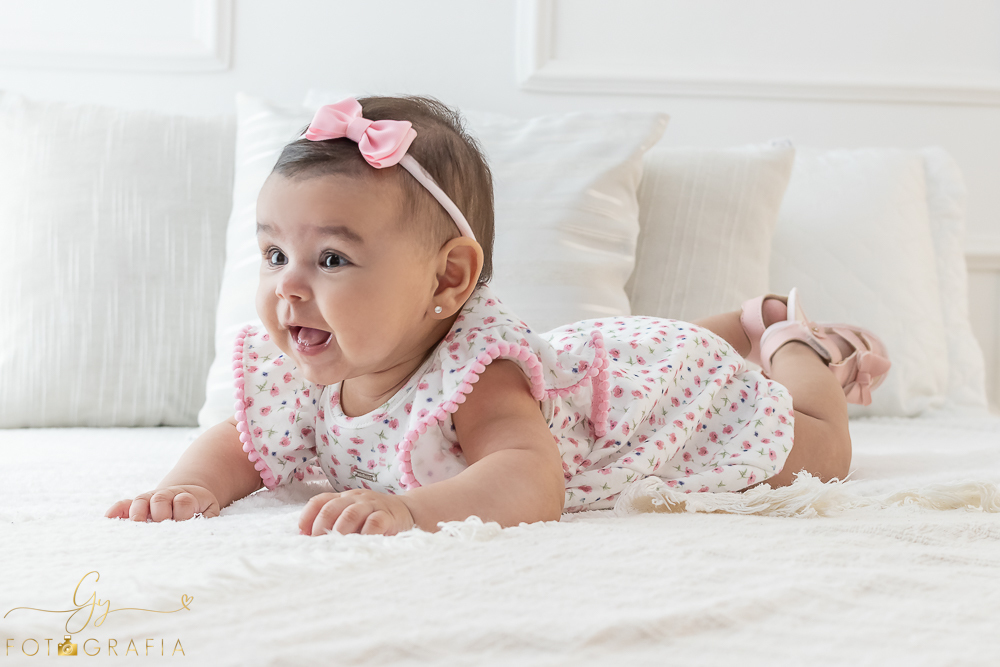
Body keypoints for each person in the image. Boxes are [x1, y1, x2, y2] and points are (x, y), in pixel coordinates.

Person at [105, 96, 891, 537]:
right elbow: (239, 443)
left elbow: (531, 479)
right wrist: (188, 487)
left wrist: (411, 510)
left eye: (332, 259)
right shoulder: (310, 368)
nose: (289, 287)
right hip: (595, 357)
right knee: (657, 340)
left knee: (820, 449)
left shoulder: (478, 375)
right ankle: (742, 320)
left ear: (448, 278)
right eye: (275, 254)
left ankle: (788, 333)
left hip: (668, 406)